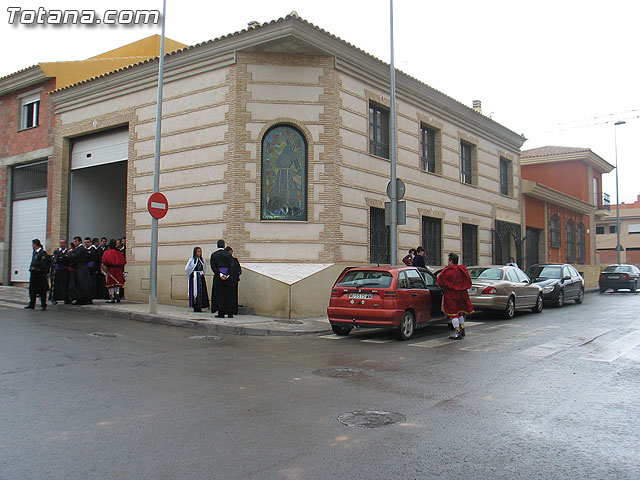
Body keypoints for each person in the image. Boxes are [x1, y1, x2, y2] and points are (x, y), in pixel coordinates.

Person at [437, 252, 474, 340]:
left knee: (453, 313)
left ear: (451, 261)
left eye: (448, 260)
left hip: (451, 294)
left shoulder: (448, 270)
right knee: (460, 312)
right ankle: (462, 328)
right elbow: (468, 281)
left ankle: (457, 332)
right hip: (462, 293)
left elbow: (440, 281)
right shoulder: (462, 269)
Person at [210, 239, 234, 318]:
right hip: (228, 278)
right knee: (228, 295)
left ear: (217, 245)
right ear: (224, 245)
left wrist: (220, 274)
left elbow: (213, 266)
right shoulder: (228, 255)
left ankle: (221, 313)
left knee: (219, 295)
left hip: (218, 277)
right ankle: (230, 312)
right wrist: (227, 274)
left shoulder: (214, 255)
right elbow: (231, 265)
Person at [67, 236, 94, 305]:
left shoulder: (80, 249)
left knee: (81, 285)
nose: (74, 243)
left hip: (80, 269)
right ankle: (80, 298)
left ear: (79, 242)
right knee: (79, 285)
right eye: (74, 241)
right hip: (79, 268)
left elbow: (75, 257)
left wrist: (70, 253)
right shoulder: (79, 249)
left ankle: (82, 299)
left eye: (76, 241)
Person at [25, 239, 49, 311]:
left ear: (36, 244)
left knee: (42, 290)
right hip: (33, 274)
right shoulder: (34, 252)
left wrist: (38, 270)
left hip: (40, 275)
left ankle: (43, 304)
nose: (32, 246)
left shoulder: (42, 253)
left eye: (33, 244)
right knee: (32, 289)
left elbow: (43, 265)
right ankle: (32, 304)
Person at [101, 239, 126, 303]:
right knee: (117, 285)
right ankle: (117, 295)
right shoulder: (119, 253)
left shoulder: (107, 252)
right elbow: (123, 261)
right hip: (118, 270)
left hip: (110, 270)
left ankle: (112, 298)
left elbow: (104, 260)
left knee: (110, 285)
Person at [185, 247, 210, 312]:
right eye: (198, 251)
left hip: (200, 278)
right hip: (194, 278)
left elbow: (204, 268)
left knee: (201, 291)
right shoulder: (192, 260)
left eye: (200, 251)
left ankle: (200, 306)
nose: (199, 253)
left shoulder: (202, 260)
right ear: (195, 252)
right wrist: (191, 274)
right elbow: (187, 269)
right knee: (195, 292)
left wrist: (202, 273)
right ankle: (195, 306)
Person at [51, 240, 70, 304]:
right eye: (61, 243)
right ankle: (55, 298)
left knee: (65, 285)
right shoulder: (56, 251)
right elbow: (57, 260)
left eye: (63, 243)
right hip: (58, 270)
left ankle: (66, 298)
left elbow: (67, 259)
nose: (62, 244)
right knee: (56, 285)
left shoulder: (68, 251)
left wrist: (62, 257)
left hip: (65, 270)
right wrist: (63, 257)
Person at [225, 246, 242, 316]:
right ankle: (231, 310)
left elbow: (239, 270)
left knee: (231, 296)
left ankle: (230, 310)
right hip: (231, 280)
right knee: (231, 296)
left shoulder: (234, 260)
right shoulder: (232, 260)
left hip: (232, 280)